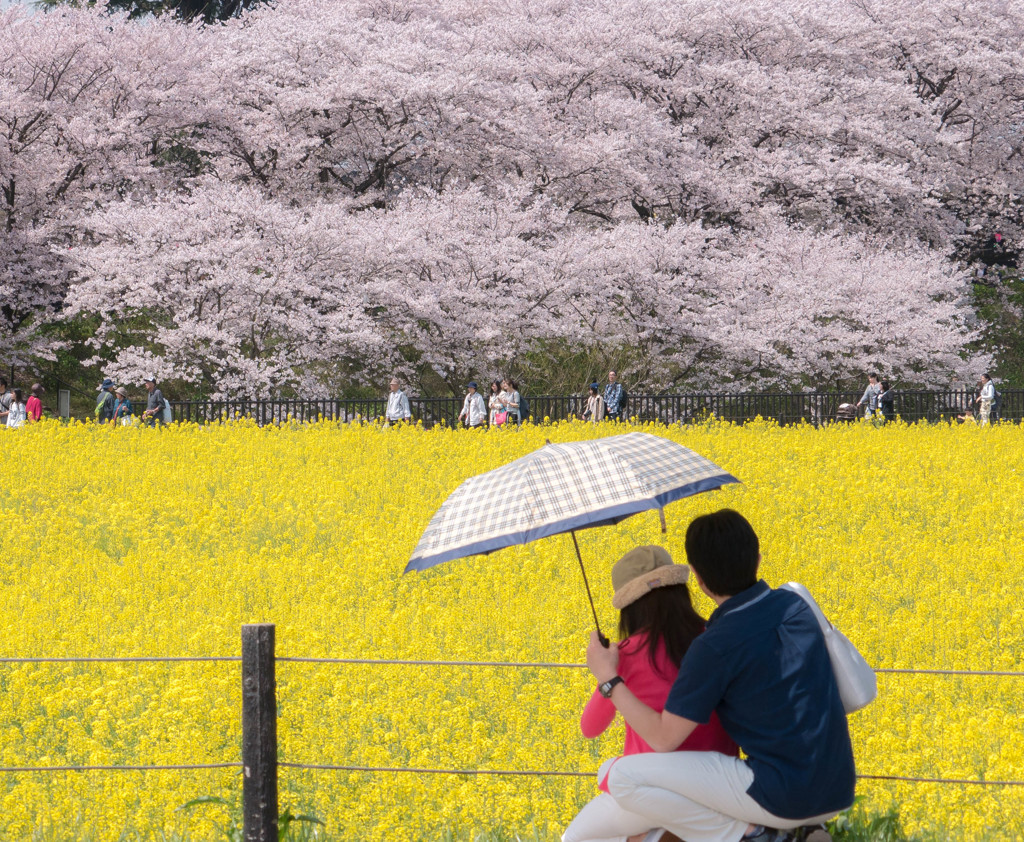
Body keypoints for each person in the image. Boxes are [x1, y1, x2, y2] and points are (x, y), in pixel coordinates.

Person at [586, 509, 855, 842]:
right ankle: (808, 827)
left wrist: (608, 679)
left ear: (698, 578)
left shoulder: (714, 645)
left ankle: (755, 835)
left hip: (781, 796)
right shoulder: (796, 605)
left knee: (622, 776)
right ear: (757, 559)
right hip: (839, 787)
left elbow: (662, 739)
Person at [563, 546, 737, 842]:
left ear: (629, 606)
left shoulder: (624, 656)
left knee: (575, 838)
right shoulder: (715, 638)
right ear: (681, 590)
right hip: (720, 783)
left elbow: (589, 728)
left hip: (650, 791)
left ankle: (646, 838)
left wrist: (606, 672)